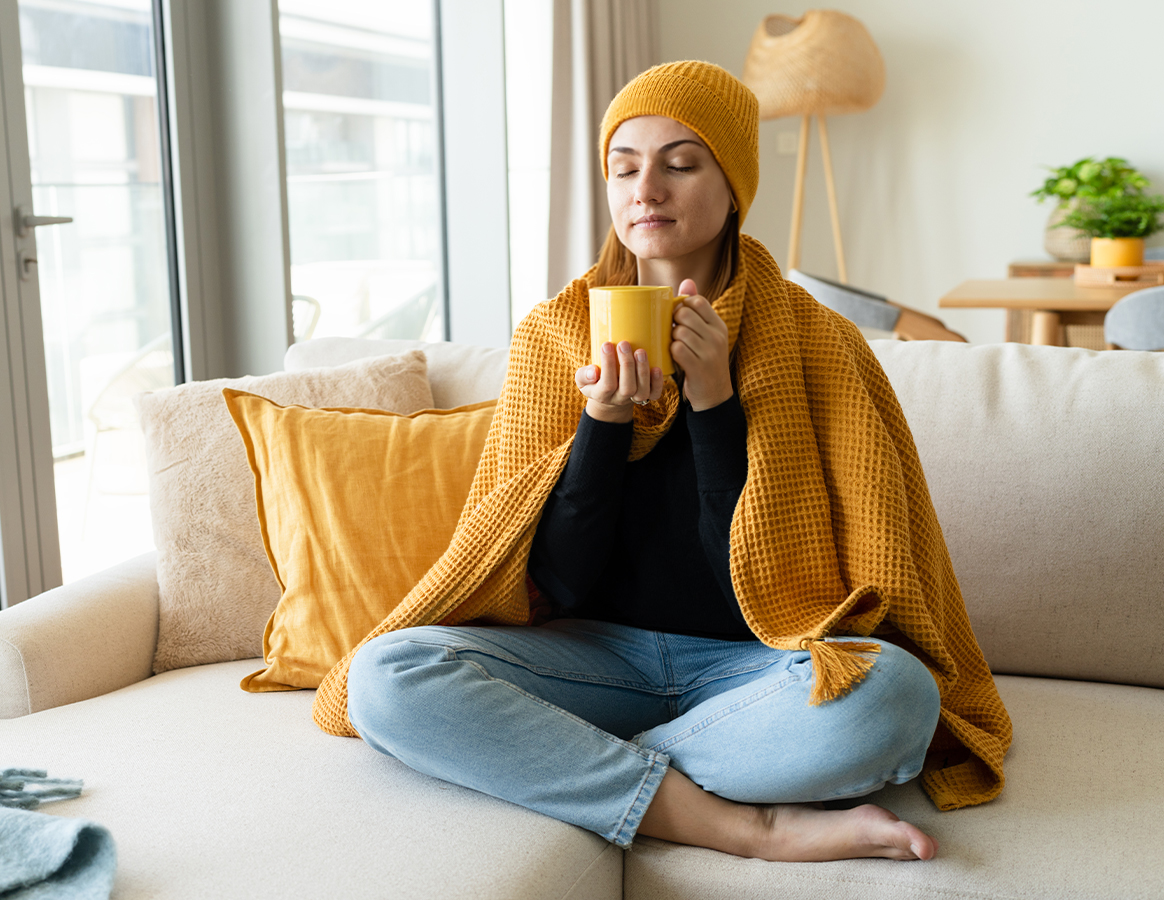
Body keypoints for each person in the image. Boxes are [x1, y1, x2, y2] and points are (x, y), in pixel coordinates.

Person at [318, 61, 1012, 863]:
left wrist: (715, 398)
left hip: (759, 667)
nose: (646, 188)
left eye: (681, 164)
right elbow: (558, 582)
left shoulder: (819, 342)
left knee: (895, 698)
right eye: (624, 167)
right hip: (591, 655)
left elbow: (772, 587)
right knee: (389, 676)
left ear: (732, 188)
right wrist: (603, 424)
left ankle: (557, 758)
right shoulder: (552, 338)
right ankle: (742, 824)